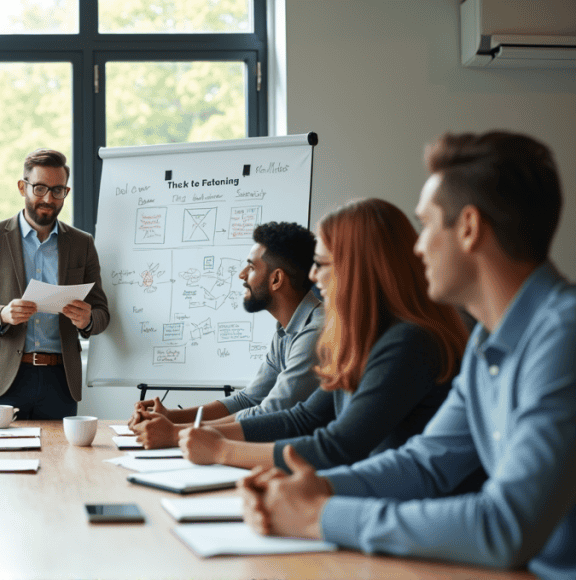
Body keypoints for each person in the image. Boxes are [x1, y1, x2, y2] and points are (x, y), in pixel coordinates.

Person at [237, 131, 575, 579]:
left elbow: (504, 526)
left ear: (469, 228)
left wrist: (319, 515)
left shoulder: (562, 337)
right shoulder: (484, 342)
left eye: (428, 225)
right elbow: (426, 462)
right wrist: (315, 487)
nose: (417, 247)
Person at [179, 198, 469, 472]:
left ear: (355, 269)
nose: (313, 277)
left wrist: (221, 450)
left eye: (321, 264)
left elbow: (338, 446)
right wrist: (202, 433)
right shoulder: (365, 337)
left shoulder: (408, 342)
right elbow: (304, 418)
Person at [128, 221, 323, 449]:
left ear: (276, 279)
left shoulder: (315, 332)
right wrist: (172, 417)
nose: (241, 275)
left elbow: (271, 412)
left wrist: (177, 432)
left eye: (251, 267)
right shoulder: (285, 330)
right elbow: (248, 399)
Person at [0, 148, 110, 419]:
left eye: (57, 190)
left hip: (59, 380)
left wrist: (87, 320)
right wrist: (2, 314)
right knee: (1, 459)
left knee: (60, 459)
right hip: (3, 377)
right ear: (22, 187)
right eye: (39, 188)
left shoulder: (81, 244)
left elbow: (101, 313)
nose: (48, 198)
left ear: (66, 191)